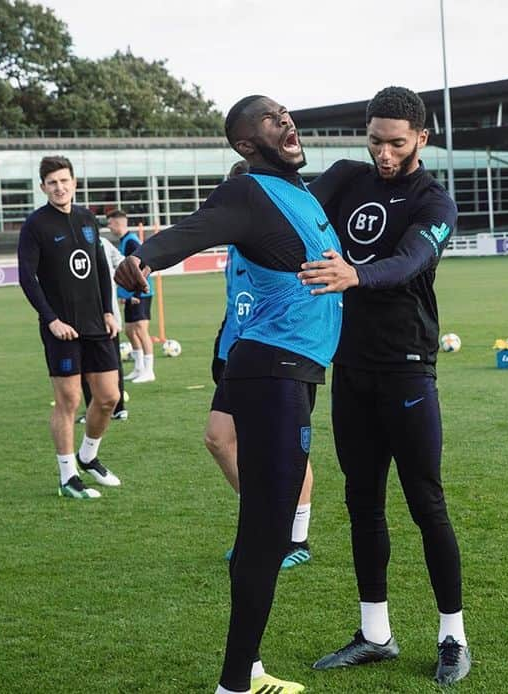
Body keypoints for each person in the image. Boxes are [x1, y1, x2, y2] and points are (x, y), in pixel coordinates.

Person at [114, 95, 341, 694]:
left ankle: (245, 673)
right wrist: (142, 259)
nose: (286, 122)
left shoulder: (302, 193)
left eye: (286, 113)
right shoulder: (249, 192)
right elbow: (195, 228)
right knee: (266, 531)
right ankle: (236, 684)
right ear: (246, 145)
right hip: (274, 372)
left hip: (282, 369)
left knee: (260, 528)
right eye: (270, 119)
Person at [298, 86, 471, 686]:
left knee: (426, 502)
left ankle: (452, 636)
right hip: (350, 366)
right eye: (375, 140)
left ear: (422, 137)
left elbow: (408, 264)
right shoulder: (347, 177)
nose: (385, 153)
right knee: (362, 501)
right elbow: (292, 210)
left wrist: (353, 275)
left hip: (408, 366)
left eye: (397, 142)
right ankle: (375, 633)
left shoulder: (435, 202)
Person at [205, 160, 314, 570]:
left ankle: (296, 539)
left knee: (287, 449)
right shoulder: (235, 247)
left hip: (284, 351)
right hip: (237, 352)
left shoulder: (284, 238)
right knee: (220, 439)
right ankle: (266, 525)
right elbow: (236, 303)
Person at [17, 155, 122, 499]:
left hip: (96, 323)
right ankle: (67, 477)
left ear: (74, 183)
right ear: (43, 187)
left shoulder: (87, 218)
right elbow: (27, 278)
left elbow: (99, 270)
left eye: (64, 181)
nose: (59, 188)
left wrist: (108, 311)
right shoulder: (36, 225)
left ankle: (88, 456)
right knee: (69, 400)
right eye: (52, 183)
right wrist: (51, 320)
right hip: (62, 328)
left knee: (109, 397)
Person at [78, 227, 129, 423]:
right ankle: (103, 408)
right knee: (97, 364)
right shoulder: (85, 246)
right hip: (89, 317)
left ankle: (117, 408)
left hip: (105, 317)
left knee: (109, 363)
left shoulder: (103, 244)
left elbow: (122, 263)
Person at [110, 209, 156, 383]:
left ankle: (149, 371)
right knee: (130, 331)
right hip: (131, 295)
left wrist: (136, 293)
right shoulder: (124, 241)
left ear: (119, 223)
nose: (109, 226)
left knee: (141, 330)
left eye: (110, 222)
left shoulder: (131, 242)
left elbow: (143, 266)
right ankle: (138, 368)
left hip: (141, 294)